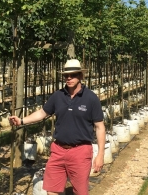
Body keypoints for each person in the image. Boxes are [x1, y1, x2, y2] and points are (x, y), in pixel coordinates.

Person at [9, 59, 105, 195]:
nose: (69, 78)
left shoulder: (91, 98)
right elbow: (42, 113)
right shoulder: (58, 96)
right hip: (58, 150)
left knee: (81, 192)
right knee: (52, 191)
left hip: (80, 151)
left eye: (73, 75)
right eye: (66, 75)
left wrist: (100, 154)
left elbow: (100, 127)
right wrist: (22, 121)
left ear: (81, 76)